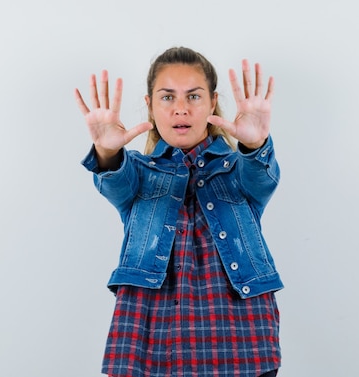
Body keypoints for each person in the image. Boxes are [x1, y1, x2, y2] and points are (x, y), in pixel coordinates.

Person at [74, 46, 283, 377]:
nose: (181, 109)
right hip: (151, 332)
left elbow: (261, 177)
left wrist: (256, 147)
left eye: (194, 97)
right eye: (168, 97)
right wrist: (107, 151)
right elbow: (114, 180)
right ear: (150, 106)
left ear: (213, 102)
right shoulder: (138, 173)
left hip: (241, 331)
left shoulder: (237, 169)